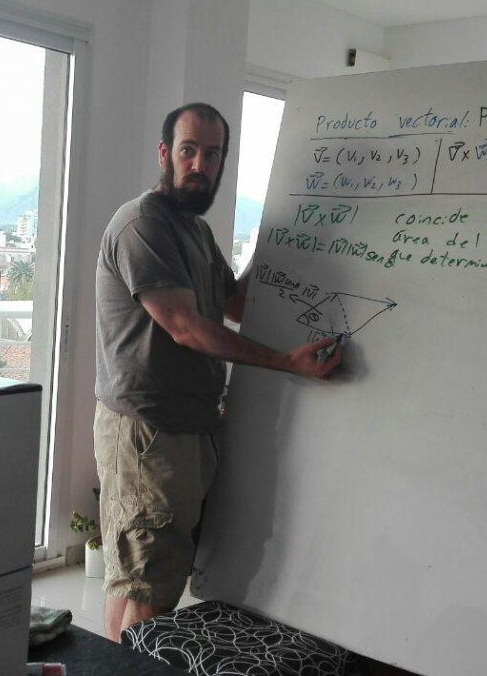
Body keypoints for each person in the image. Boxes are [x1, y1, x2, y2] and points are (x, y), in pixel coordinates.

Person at [93, 102, 342, 642]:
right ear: (165, 153)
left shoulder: (196, 232)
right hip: (148, 433)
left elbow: (233, 302)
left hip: (186, 427)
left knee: (146, 577)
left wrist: (279, 239)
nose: (199, 165)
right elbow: (185, 326)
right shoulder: (143, 225)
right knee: (147, 585)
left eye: (212, 154)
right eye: (188, 151)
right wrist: (285, 362)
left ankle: (117, 658)